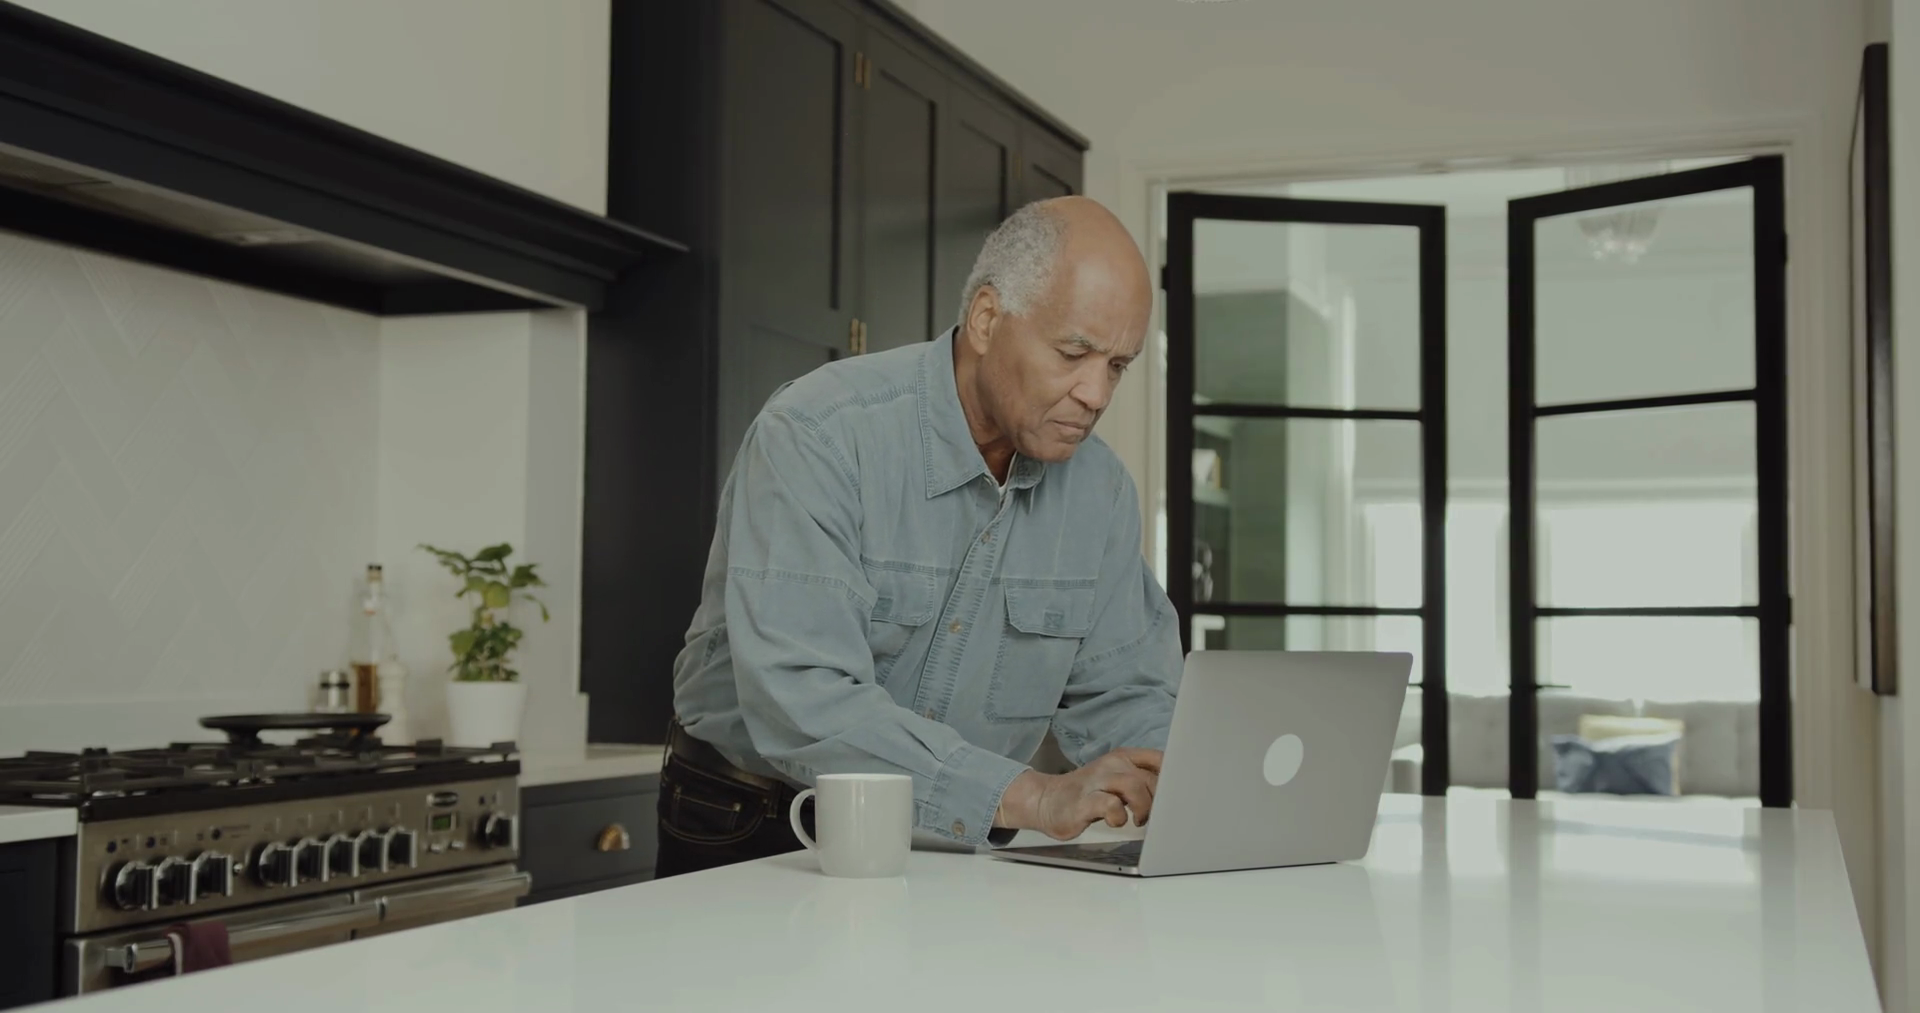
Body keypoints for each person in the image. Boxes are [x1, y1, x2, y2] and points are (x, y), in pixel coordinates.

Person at [657, 196, 1182, 878]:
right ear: (987, 318)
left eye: (1117, 366)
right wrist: (1031, 796)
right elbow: (803, 697)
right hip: (758, 823)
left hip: (955, 838)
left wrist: (1182, 784)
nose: (1097, 393)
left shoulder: (1100, 490)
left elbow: (1128, 690)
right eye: (1074, 352)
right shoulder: (819, 433)